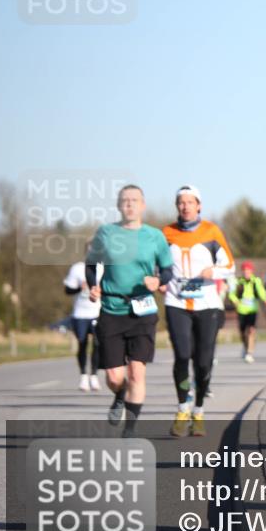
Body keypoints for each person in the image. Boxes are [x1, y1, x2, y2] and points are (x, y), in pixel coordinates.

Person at [86, 184, 173, 437]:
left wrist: (159, 281)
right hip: (111, 309)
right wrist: (93, 286)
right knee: (114, 377)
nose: (130, 204)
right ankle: (119, 395)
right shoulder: (106, 233)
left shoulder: (154, 236)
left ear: (142, 205)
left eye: (135, 200)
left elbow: (167, 269)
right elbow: (91, 265)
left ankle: (130, 429)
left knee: (137, 372)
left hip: (143, 309)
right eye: (125, 200)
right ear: (118, 205)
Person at [162, 185, 236, 438]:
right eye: (181, 202)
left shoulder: (211, 231)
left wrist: (212, 272)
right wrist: (158, 279)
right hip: (176, 302)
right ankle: (183, 408)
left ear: (199, 205)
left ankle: (199, 411)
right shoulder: (166, 233)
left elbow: (229, 265)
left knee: (203, 363)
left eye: (190, 202)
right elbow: (156, 265)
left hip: (207, 304)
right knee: (183, 355)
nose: (185, 206)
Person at [64, 253, 103, 391]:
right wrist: (80, 287)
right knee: (82, 344)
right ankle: (83, 375)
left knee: (98, 344)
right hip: (80, 313)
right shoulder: (77, 268)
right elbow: (67, 290)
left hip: (98, 312)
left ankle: (94, 375)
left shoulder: (104, 267)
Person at [230, 261, 266, 362]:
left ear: (251, 271)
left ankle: (250, 352)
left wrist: (265, 299)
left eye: (248, 270)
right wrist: (235, 301)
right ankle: (245, 346)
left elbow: (261, 291)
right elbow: (232, 294)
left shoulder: (256, 281)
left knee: (251, 330)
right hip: (241, 310)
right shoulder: (238, 282)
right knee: (243, 332)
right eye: (244, 271)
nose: (246, 272)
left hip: (252, 310)